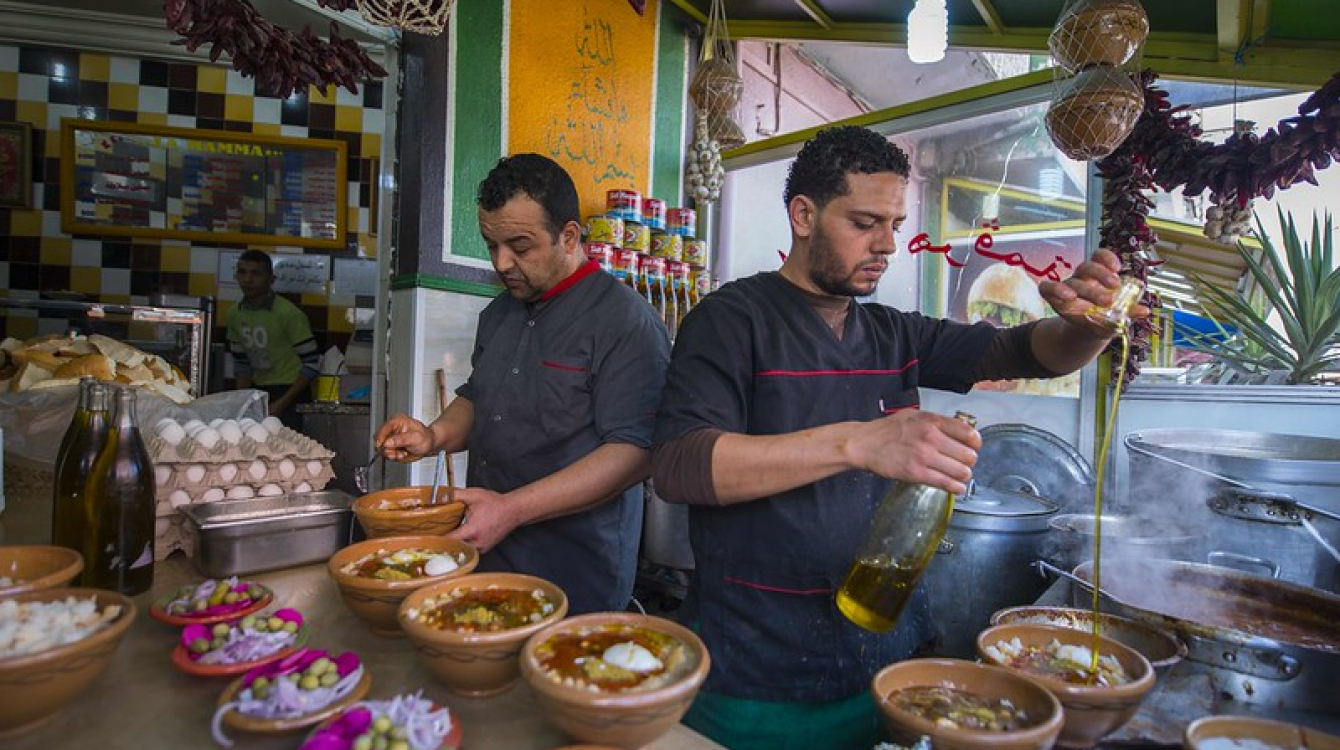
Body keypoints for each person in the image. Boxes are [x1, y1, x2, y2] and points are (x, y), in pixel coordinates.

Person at [651, 125, 1144, 750]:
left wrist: (1089, 327)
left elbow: (1026, 350)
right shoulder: (730, 320)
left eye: (894, 221)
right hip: (758, 667)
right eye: (864, 222)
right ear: (804, 215)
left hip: (882, 657)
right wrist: (859, 442)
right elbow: (678, 464)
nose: (887, 244)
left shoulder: (892, 333)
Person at [374, 154, 671, 615]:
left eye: (520, 245)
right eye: (492, 245)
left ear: (569, 236)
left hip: (573, 567)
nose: (501, 262)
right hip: (489, 552)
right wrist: (434, 436)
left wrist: (511, 509)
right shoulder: (499, 313)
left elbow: (636, 453)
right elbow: (479, 397)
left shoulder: (625, 322)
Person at [226, 250, 320, 431]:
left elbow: (312, 365)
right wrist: (242, 402)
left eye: (256, 274)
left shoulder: (288, 314)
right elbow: (241, 363)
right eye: (242, 272)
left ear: (271, 279)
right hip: (258, 392)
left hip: (291, 393)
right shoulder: (234, 314)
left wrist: (280, 404)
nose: (248, 279)